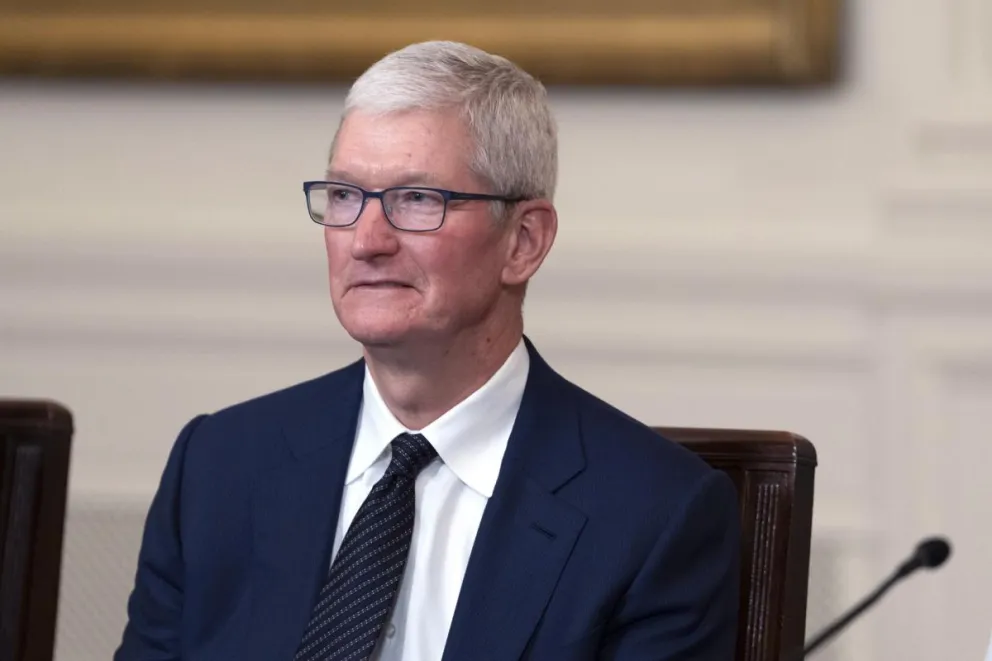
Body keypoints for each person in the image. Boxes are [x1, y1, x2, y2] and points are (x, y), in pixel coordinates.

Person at [114, 40, 741, 661]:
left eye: (417, 200)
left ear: (523, 241)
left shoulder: (654, 514)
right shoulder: (219, 465)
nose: (366, 240)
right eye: (344, 196)